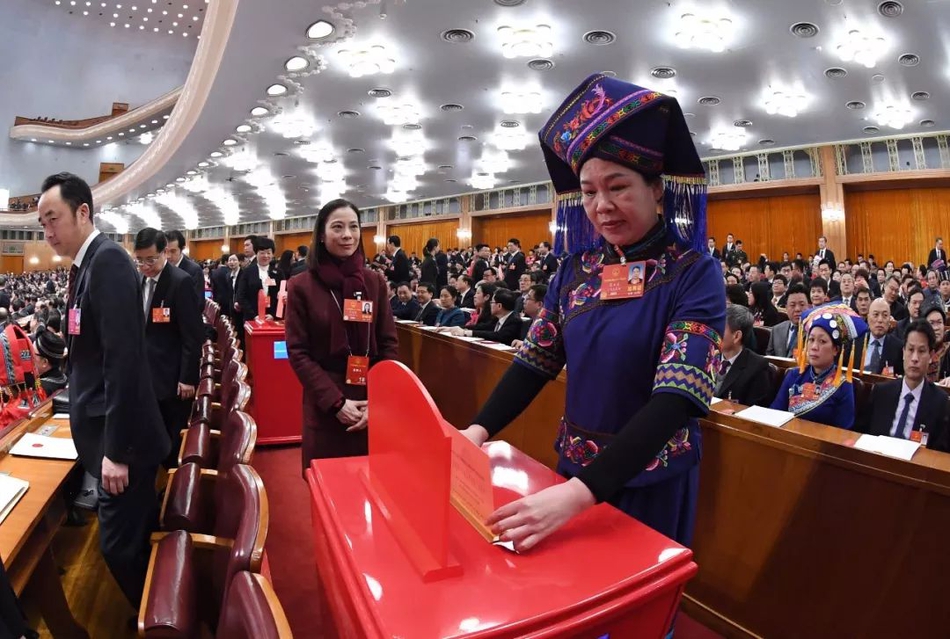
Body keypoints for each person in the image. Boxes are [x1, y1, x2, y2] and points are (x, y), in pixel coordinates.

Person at [458, 75, 725, 558]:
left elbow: (676, 400)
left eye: (618, 187)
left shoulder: (694, 273)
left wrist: (579, 494)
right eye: (587, 192)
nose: (601, 206)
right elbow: (533, 361)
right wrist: (475, 431)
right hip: (574, 471)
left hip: (651, 479)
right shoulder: (574, 271)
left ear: (657, 190)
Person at [37, 172, 169, 608]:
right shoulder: (87, 266)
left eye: (53, 219)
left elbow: (123, 362)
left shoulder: (107, 262)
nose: (48, 232)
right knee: (132, 540)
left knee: (118, 548)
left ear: (82, 212)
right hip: (110, 434)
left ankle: (164, 621)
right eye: (41, 225)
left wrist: (116, 451)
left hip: (123, 445)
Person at [285, 199, 398, 471]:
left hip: (370, 401)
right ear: (321, 235)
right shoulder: (302, 286)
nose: (347, 235)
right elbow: (298, 353)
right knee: (327, 490)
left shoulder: (373, 281)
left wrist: (379, 400)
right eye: (338, 227)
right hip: (327, 401)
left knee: (371, 489)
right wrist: (336, 403)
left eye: (353, 227)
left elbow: (388, 343)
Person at [134, 228, 204, 469]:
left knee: (169, 436)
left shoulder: (179, 282)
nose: (145, 265)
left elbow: (192, 335)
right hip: (145, 373)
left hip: (172, 376)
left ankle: (169, 486)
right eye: (140, 260)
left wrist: (187, 378)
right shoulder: (139, 279)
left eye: (151, 259)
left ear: (164, 252)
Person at [769, 304, 866, 429]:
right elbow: (775, 413)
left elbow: (843, 432)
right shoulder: (793, 375)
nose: (814, 347)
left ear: (835, 350)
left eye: (822, 341)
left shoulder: (843, 385)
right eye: (811, 339)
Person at [860, 319, 949, 450]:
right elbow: (862, 434)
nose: (914, 358)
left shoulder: (940, 403)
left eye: (921, 351)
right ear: (903, 352)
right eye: (910, 349)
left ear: (930, 356)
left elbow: (940, 454)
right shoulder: (881, 392)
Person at [716, 305, 772, 406]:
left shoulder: (758, 367)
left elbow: (754, 410)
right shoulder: (708, 357)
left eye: (720, 328)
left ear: (737, 336)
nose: (714, 333)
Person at [851, 298, 904, 376]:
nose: (880, 320)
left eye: (885, 315)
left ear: (889, 319)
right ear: (868, 318)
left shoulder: (898, 348)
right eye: (876, 315)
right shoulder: (854, 344)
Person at [236, 237, 283, 320]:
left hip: (272, 317)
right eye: (262, 253)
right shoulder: (247, 272)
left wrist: (273, 315)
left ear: (272, 254)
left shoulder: (278, 273)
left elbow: (282, 296)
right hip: (252, 317)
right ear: (256, 253)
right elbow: (241, 296)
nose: (266, 256)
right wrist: (254, 316)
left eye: (269, 253)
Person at [766, 283, 810, 358]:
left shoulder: (814, 331)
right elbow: (770, 358)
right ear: (786, 307)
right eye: (792, 305)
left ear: (809, 306)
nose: (797, 309)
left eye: (802, 305)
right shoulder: (776, 330)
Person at [164, 229, 205, 305]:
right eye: (165, 251)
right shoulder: (161, 268)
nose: (168, 256)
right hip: (164, 316)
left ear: (182, 249)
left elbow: (199, 304)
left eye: (173, 251)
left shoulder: (194, 270)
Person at [32, 325, 67, 397]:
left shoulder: (41, 389)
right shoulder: (63, 377)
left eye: (32, 353)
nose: (29, 357)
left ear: (44, 362)